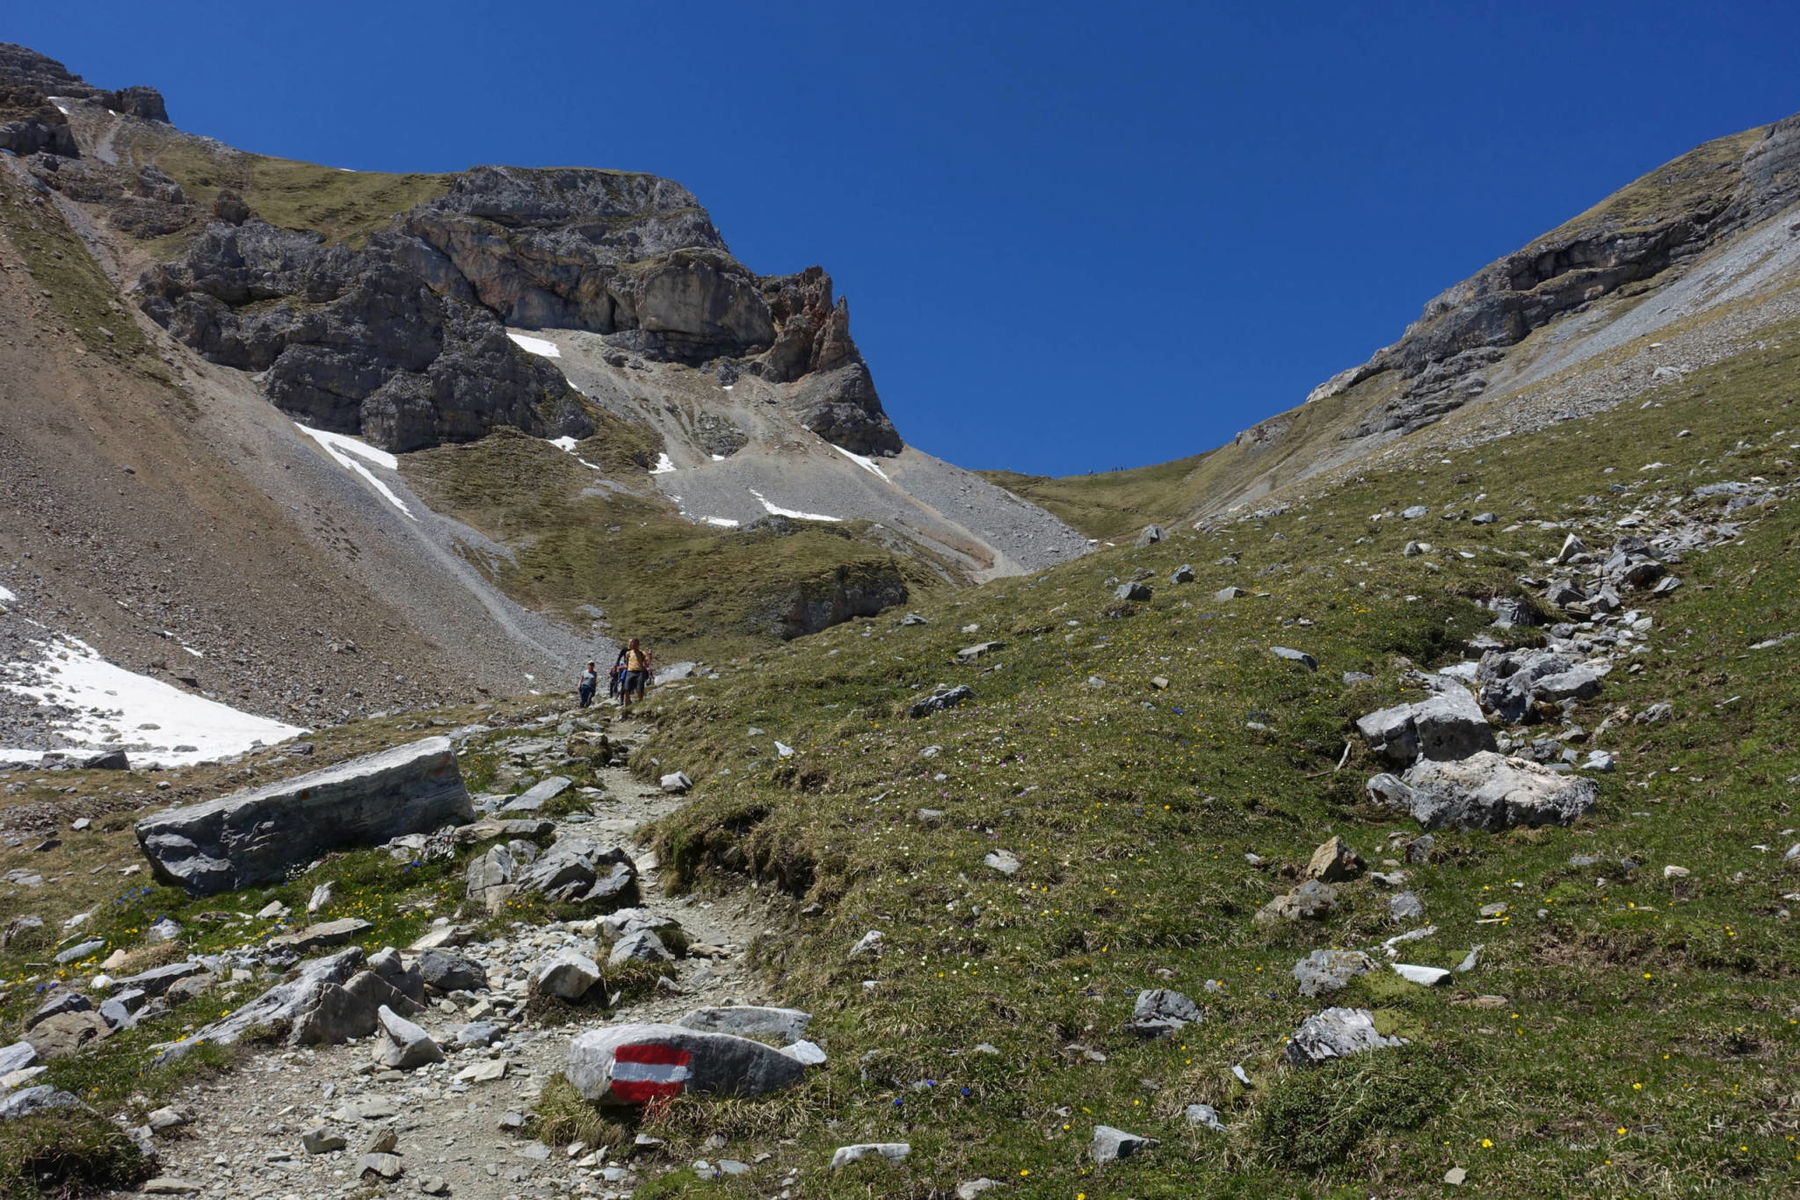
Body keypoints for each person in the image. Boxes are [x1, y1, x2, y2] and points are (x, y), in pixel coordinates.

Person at [619, 638, 653, 709]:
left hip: (639, 672)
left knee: (639, 689)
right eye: (633, 643)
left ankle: (640, 704)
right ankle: (626, 706)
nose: (634, 645)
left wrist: (650, 655)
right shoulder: (628, 653)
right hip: (630, 671)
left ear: (638, 644)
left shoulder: (641, 652)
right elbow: (627, 662)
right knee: (626, 689)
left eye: (635, 644)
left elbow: (647, 662)